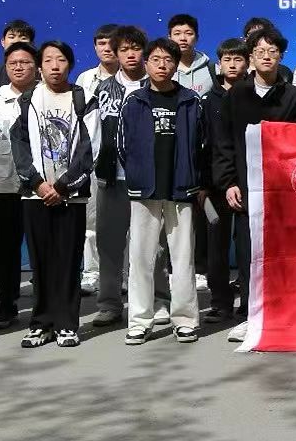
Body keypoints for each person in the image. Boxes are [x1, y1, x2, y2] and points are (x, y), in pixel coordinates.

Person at [212, 26, 296, 342]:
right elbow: (223, 143)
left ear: (281, 56)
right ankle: (251, 315)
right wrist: (228, 182)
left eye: (272, 51)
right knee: (248, 254)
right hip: (246, 190)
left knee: (285, 253)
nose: (266, 57)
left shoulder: (295, 97)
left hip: (284, 192)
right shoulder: (235, 96)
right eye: (260, 52)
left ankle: (287, 313)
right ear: (251, 58)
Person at [119, 38, 207, 346]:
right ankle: (140, 321)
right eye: (155, 59)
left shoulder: (191, 101)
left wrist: (195, 178)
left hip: (181, 187)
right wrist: (137, 174)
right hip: (145, 189)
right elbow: (122, 146)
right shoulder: (134, 101)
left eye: (168, 60)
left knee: (182, 258)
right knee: (141, 258)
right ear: (146, 63)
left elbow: (202, 143)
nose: (162, 65)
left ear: (176, 64)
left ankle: (185, 320)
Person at [10, 41, 96, 348]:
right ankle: (41, 324)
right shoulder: (28, 99)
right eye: (48, 60)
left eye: (61, 60)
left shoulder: (83, 98)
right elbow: (18, 144)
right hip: (36, 196)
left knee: (68, 261)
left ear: (70, 64)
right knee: (41, 263)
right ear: (40, 66)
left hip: (70, 196)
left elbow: (91, 147)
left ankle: (66, 324)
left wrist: (62, 186)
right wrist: (37, 183)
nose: (55, 66)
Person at [89, 25, 151, 327]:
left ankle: (156, 301)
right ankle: (109, 304)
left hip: (149, 179)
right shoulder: (102, 89)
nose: (130, 54)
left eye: (135, 48)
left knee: (152, 246)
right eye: (124, 49)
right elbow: (91, 132)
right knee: (109, 244)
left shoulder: (157, 85)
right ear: (115, 53)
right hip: (111, 178)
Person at [0, 41, 39, 331]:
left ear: (36, 67)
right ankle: (7, 304)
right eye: (13, 63)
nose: (18, 68)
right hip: (7, 185)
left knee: (43, 247)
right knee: (6, 248)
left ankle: (46, 305)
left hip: (42, 187)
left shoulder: (46, 97)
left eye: (25, 62)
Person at [198, 37, 250, 310]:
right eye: (227, 59)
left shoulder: (253, 95)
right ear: (218, 64)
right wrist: (202, 184)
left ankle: (248, 303)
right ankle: (220, 302)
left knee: (246, 245)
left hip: (247, 181)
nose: (232, 65)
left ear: (247, 63)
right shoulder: (208, 100)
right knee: (216, 246)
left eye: (238, 59)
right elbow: (200, 142)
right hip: (215, 183)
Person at [75, 22, 119, 295]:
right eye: (101, 43)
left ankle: (123, 272)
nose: (107, 48)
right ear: (94, 47)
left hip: (122, 158)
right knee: (91, 219)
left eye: (112, 43)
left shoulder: (131, 78)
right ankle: (91, 272)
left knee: (124, 219)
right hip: (92, 159)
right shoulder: (84, 79)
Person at [0, 19, 35, 99]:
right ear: (3, 42)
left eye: (23, 38)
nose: (16, 41)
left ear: (31, 43)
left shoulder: (42, 74)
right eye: (11, 37)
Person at [169, 14, 217, 95]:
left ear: (197, 37)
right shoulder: (162, 69)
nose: (183, 38)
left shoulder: (214, 70)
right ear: (169, 38)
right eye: (177, 34)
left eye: (188, 33)